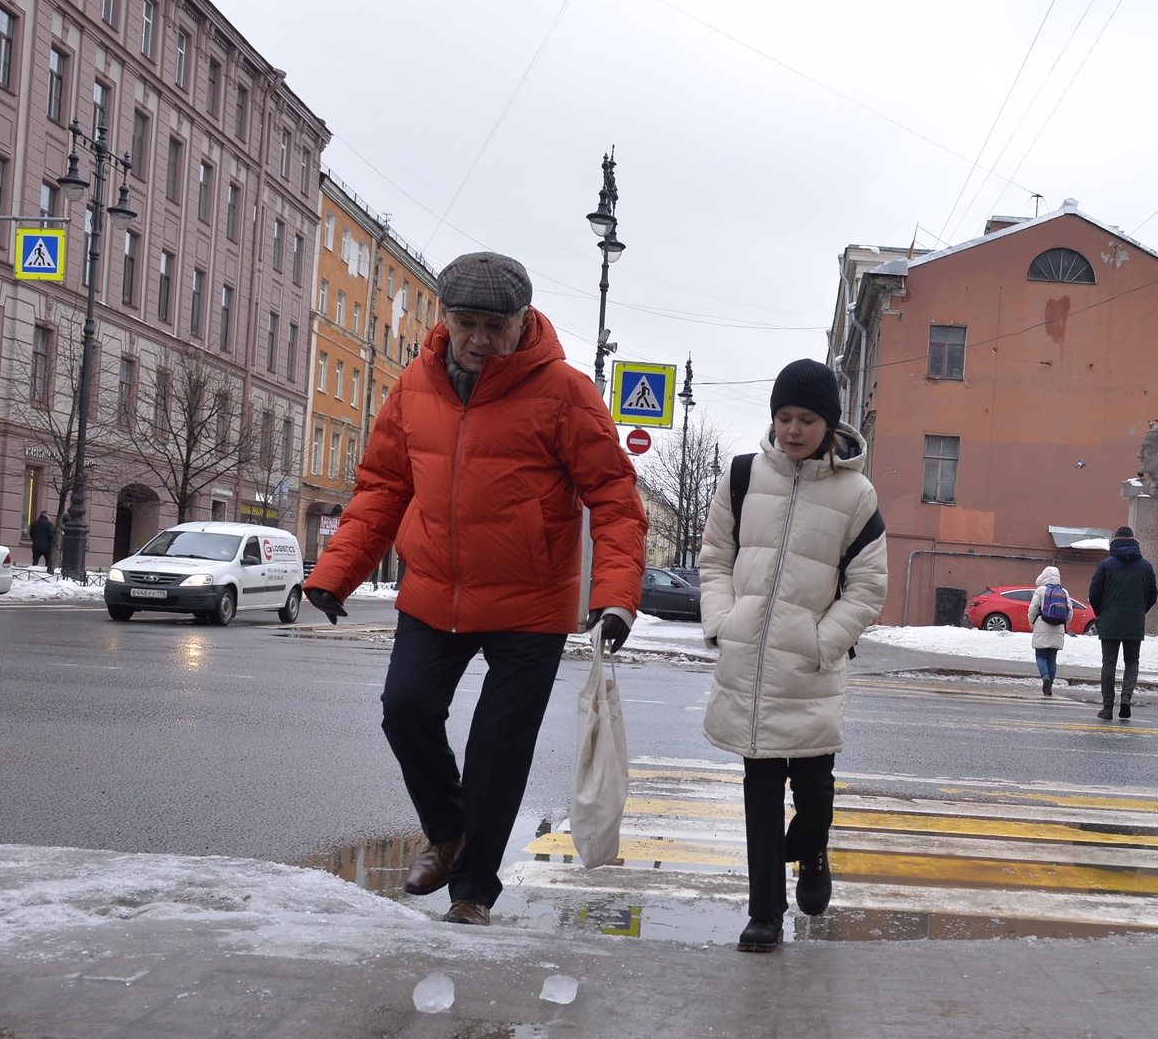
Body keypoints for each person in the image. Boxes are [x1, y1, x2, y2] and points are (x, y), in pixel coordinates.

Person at [302, 251, 647, 926]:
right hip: (435, 586)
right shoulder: (414, 387)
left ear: (524, 322)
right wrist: (336, 571)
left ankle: (472, 890)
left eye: (496, 325)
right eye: (467, 323)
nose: (480, 339)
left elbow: (612, 495)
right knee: (405, 708)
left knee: (497, 746)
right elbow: (382, 487)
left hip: (532, 600)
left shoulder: (566, 393)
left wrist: (615, 595)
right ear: (445, 319)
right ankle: (446, 827)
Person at [700, 359, 886, 954]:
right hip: (749, 663)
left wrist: (824, 641)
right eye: (784, 417)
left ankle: (812, 851)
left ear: (828, 424)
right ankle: (764, 914)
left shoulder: (857, 493)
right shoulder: (741, 477)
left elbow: (868, 587)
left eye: (806, 419)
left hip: (809, 668)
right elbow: (714, 557)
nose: (792, 429)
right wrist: (723, 622)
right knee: (759, 790)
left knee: (813, 793)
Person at [1088, 525, 1156, 721]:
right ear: (1134, 541)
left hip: (1110, 620)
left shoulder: (1106, 565)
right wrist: (1139, 611)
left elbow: (1094, 593)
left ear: (1115, 541)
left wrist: (1102, 611)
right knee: (1132, 661)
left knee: (1108, 662)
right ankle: (1126, 698)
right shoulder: (1146, 566)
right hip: (1134, 621)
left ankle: (1107, 707)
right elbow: (1153, 595)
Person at [1027, 565, 1069, 696]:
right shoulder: (1064, 592)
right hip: (1058, 627)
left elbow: (1033, 609)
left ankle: (1045, 677)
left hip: (1041, 624)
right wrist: (1063, 626)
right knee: (1052, 658)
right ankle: (1050, 685)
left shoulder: (1040, 590)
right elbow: (1070, 612)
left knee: (1040, 656)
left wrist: (1033, 624)